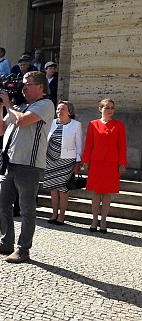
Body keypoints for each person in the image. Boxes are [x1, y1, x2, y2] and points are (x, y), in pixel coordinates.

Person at [0, 71, 54, 263]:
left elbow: (22, 121)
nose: (23, 88)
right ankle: (6, 242)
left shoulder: (45, 105)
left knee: (26, 208)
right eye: (22, 84)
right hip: (10, 162)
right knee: (1, 203)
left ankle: (23, 249)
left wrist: (8, 105)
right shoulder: (19, 106)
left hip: (29, 164)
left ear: (40, 87)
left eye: (27, 84)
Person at [81, 98, 127, 234]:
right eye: (107, 107)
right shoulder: (93, 124)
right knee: (96, 192)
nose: (110, 110)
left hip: (112, 164)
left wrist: (122, 163)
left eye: (112, 108)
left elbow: (122, 146)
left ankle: (103, 221)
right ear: (100, 109)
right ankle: (94, 220)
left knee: (107, 193)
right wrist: (86, 161)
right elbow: (89, 144)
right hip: (96, 163)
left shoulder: (119, 125)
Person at [42, 101, 83, 225]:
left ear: (69, 111)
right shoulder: (51, 123)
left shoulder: (76, 125)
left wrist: (78, 162)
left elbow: (79, 145)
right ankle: (54, 213)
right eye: (58, 109)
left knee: (63, 189)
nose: (60, 111)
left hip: (67, 161)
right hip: (50, 160)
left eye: (63, 109)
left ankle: (61, 216)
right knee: (53, 188)